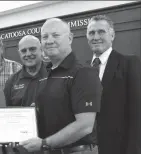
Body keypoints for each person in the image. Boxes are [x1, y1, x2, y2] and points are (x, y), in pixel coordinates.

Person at [19, 18, 102, 154]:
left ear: (69, 38)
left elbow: (84, 125)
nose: (49, 40)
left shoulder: (84, 73)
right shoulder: (44, 74)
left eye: (55, 35)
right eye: (45, 37)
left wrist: (44, 144)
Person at [86, 15, 141, 154]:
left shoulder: (129, 63)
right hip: (86, 149)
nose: (96, 37)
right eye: (91, 33)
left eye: (101, 32)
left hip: (118, 148)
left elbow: (137, 113)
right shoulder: (82, 69)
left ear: (112, 35)